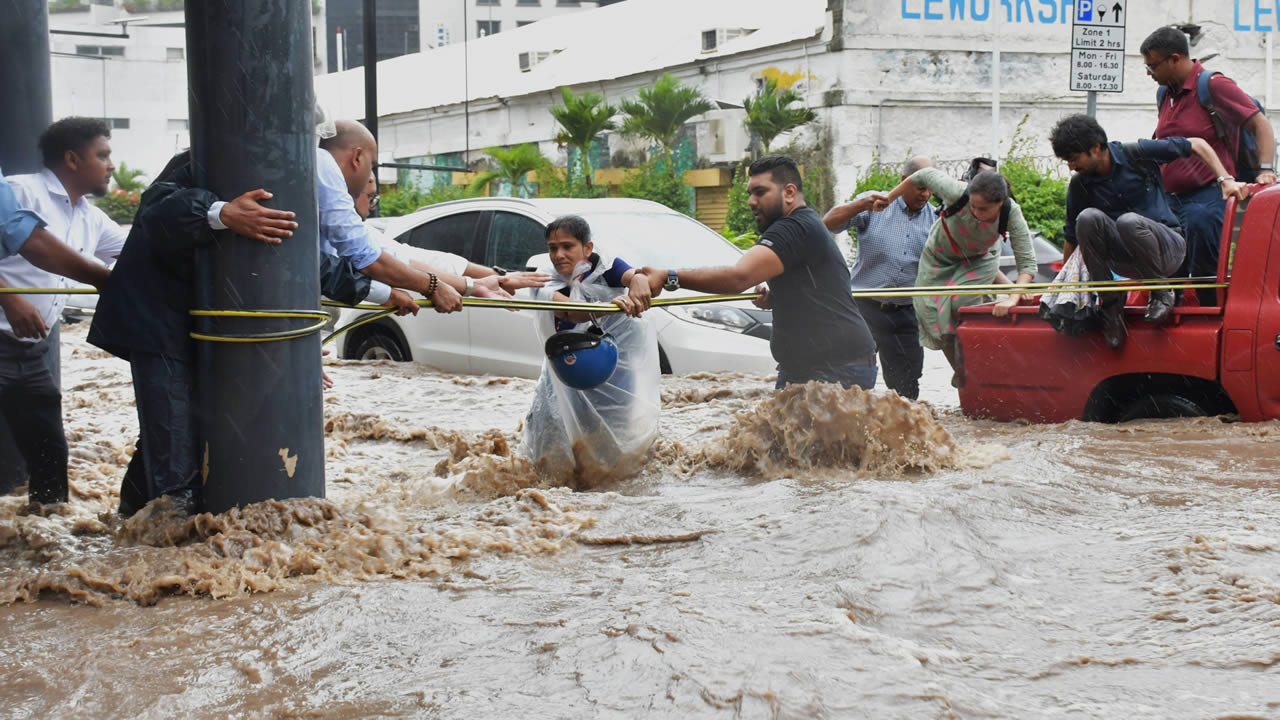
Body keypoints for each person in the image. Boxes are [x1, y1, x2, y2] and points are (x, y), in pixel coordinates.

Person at [90, 151, 408, 516]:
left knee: (179, 435)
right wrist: (222, 212)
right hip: (161, 321)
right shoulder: (213, 157)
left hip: (212, 325)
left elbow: (293, 252)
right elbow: (156, 210)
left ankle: (130, 525)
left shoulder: (281, 174)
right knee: (174, 444)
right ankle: (160, 541)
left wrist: (383, 293)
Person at [643, 155, 876, 390]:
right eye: (749, 193)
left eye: (760, 192)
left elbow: (738, 278)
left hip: (836, 368)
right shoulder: (805, 224)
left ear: (789, 193)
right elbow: (823, 289)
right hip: (815, 366)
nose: (751, 202)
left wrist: (668, 277)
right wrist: (779, 299)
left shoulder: (793, 228)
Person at [0, 118, 126, 505]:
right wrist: (7, 296)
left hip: (31, 352)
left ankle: (43, 540)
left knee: (50, 455)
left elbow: (138, 251)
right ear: (72, 159)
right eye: (103, 155)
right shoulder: (20, 192)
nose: (112, 165)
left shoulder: (90, 216)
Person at [1049, 114, 1248, 348]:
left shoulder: (1136, 153)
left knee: (1128, 221)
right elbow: (1072, 237)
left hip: (1168, 251)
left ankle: (1161, 291)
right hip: (1127, 259)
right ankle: (1111, 307)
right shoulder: (1080, 184)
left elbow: (1198, 144)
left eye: (1074, 159)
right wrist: (1064, 290)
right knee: (1087, 218)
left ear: (1095, 147)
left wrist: (1225, 180)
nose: (1072, 167)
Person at [518, 215, 661, 483]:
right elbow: (571, 312)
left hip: (614, 373)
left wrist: (639, 281)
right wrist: (609, 306)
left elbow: (634, 277)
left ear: (587, 248)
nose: (559, 255)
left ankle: (610, 490)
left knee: (616, 439)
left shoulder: (606, 264)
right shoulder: (541, 277)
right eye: (552, 247)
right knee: (554, 438)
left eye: (567, 246)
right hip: (565, 374)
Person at [1141, 25, 1276, 304]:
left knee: (1203, 256)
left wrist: (1266, 168)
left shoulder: (1213, 85)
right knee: (1166, 264)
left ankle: (1211, 317)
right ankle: (1173, 320)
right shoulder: (1165, 94)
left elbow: (1260, 123)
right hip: (1170, 197)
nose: (1148, 73)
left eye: (1153, 66)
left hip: (1207, 193)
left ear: (1175, 58)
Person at [874, 164, 1037, 386]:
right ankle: (961, 370)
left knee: (961, 304)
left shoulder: (1012, 213)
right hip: (939, 255)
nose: (977, 213)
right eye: (974, 206)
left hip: (981, 259)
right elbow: (921, 175)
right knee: (928, 310)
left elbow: (1027, 262)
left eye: (984, 209)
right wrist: (889, 198)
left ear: (1000, 203)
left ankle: (980, 366)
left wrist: (1013, 297)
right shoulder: (956, 191)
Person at [822, 156, 936, 400]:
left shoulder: (936, 219)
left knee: (906, 388)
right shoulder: (875, 204)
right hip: (865, 308)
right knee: (851, 380)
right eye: (920, 187)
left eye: (930, 188)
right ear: (904, 182)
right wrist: (861, 205)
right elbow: (828, 224)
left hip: (907, 312)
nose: (926, 194)